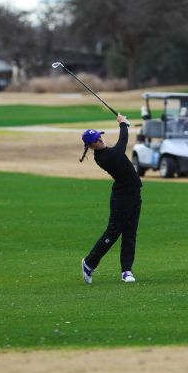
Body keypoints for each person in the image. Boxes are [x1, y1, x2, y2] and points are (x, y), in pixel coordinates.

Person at [79, 113, 142, 284]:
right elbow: (122, 144)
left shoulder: (107, 151)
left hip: (134, 193)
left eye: (100, 137)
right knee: (113, 233)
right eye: (96, 140)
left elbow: (118, 145)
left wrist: (124, 124)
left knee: (130, 233)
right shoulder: (105, 157)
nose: (100, 140)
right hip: (122, 198)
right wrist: (123, 124)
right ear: (91, 146)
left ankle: (126, 270)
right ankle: (89, 263)